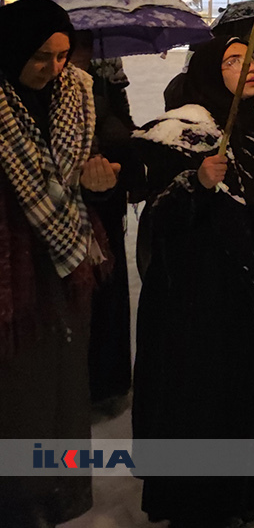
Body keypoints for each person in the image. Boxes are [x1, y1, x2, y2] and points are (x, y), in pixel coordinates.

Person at [132, 36, 254, 527]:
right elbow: (156, 217)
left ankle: (241, 491)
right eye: (233, 61)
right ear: (210, 72)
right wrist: (195, 183)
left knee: (246, 396)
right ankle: (195, 505)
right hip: (200, 301)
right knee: (205, 403)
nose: (249, 68)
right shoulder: (185, 130)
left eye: (252, 58)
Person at [0, 0, 113, 528]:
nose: (54, 69)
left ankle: (64, 492)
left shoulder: (80, 96)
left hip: (67, 257)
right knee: (19, 384)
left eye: (64, 55)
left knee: (66, 381)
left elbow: (109, 157)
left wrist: (103, 176)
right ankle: (20, 502)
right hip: (12, 266)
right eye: (40, 57)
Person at [66, 35, 141, 418]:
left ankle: (108, 382)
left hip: (105, 197)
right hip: (64, 206)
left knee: (108, 289)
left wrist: (120, 147)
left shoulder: (108, 71)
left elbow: (122, 124)